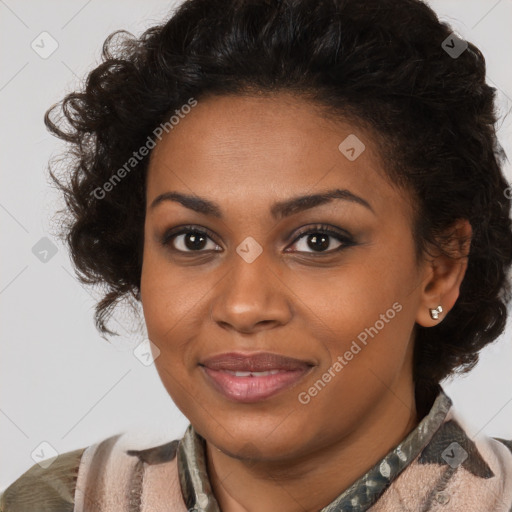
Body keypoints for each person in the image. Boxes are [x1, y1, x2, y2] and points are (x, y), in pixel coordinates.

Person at [2, 0, 512, 510]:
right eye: (193, 240)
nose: (244, 307)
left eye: (318, 240)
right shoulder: (52, 503)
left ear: (439, 273)